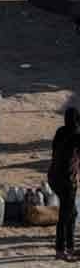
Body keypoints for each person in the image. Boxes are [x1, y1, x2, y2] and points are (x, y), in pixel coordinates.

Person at [49, 107, 80, 261]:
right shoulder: (77, 135)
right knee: (65, 215)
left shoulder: (60, 131)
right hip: (66, 181)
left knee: (72, 213)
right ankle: (60, 250)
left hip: (53, 177)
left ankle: (70, 247)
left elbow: (54, 151)